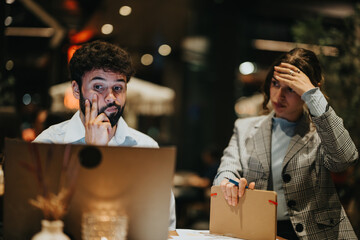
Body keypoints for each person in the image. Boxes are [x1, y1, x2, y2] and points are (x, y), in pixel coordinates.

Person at [213, 48, 358, 239]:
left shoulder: (321, 131)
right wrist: (227, 181)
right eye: (275, 84)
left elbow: (344, 159)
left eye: (291, 89)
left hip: (319, 234)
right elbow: (228, 167)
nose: (278, 96)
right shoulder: (245, 128)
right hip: (258, 230)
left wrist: (313, 96)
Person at [34, 40, 176, 230]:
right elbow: (38, 221)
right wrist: (94, 152)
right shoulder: (48, 143)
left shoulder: (145, 147)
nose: (111, 97)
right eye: (99, 87)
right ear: (77, 90)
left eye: (118, 88)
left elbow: (164, 223)